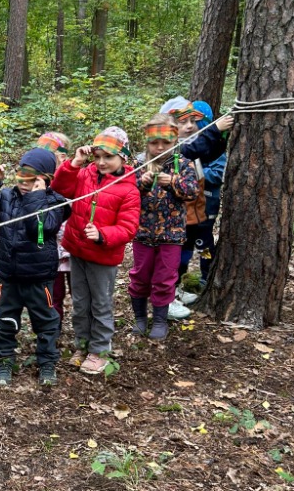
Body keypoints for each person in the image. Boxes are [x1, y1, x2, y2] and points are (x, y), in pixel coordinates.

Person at [0, 148, 69, 387]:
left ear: (45, 181)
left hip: (38, 277)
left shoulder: (56, 203)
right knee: (5, 319)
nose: (25, 183)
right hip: (9, 275)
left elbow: (38, 228)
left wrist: (36, 196)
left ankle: (46, 362)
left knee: (45, 321)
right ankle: (4, 359)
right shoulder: (6, 199)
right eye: (22, 176)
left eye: (32, 179)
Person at [52, 127, 140, 376]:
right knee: (80, 302)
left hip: (103, 256)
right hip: (77, 250)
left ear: (123, 157)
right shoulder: (85, 174)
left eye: (108, 157)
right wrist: (74, 163)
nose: (101, 162)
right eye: (97, 156)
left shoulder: (128, 189)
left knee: (100, 303)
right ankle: (82, 345)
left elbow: (128, 227)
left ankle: (99, 350)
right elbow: (60, 188)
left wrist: (103, 235)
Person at [128, 115, 199, 341]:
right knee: (140, 276)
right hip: (142, 234)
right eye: (154, 142)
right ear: (147, 142)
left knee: (165, 277)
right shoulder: (138, 166)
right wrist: (143, 183)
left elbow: (192, 192)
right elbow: (127, 195)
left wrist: (174, 183)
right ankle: (140, 317)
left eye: (165, 143)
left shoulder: (184, 164)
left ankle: (160, 319)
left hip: (172, 235)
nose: (160, 147)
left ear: (175, 140)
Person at [163, 99, 234, 319]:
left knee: (196, 249)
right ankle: (166, 298)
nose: (190, 126)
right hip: (174, 218)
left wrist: (221, 135)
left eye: (195, 121)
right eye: (184, 121)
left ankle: (181, 288)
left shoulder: (194, 146)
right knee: (175, 257)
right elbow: (195, 150)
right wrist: (213, 130)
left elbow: (210, 154)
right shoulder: (172, 149)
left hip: (199, 214)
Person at [36, 132, 72, 325]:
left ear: (62, 156)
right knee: (53, 295)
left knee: (80, 293)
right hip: (51, 252)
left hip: (73, 248)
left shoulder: (74, 177)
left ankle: (85, 334)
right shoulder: (37, 183)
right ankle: (53, 331)